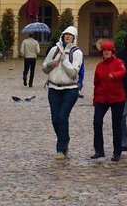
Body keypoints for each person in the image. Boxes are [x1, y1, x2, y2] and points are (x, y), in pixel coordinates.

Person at [42, 26, 83, 159]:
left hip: (70, 89)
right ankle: (64, 138)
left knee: (62, 117)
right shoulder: (54, 50)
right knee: (55, 119)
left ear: (74, 38)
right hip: (54, 88)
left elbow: (73, 73)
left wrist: (64, 60)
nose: (67, 37)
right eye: (66, 35)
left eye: (70, 35)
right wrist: (51, 65)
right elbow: (44, 67)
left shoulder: (77, 53)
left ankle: (61, 148)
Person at [91, 40, 127, 162]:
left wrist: (114, 75)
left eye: (108, 50)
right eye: (104, 50)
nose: (106, 52)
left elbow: (123, 71)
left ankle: (117, 151)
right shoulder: (99, 66)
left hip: (117, 98)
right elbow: (96, 83)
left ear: (112, 52)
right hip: (102, 98)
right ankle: (99, 150)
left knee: (116, 124)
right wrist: (95, 99)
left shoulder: (119, 62)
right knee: (97, 122)